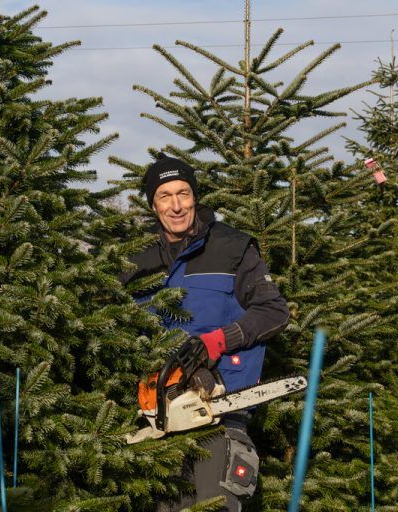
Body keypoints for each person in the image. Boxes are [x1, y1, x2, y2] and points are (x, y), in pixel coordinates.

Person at [119, 153, 290, 512]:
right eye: (165, 196)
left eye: (184, 193)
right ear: (153, 203)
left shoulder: (232, 248)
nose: (176, 205)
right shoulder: (135, 259)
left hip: (218, 415)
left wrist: (216, 341)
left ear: (195, 196)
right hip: (153, 420)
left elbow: (274, 311)